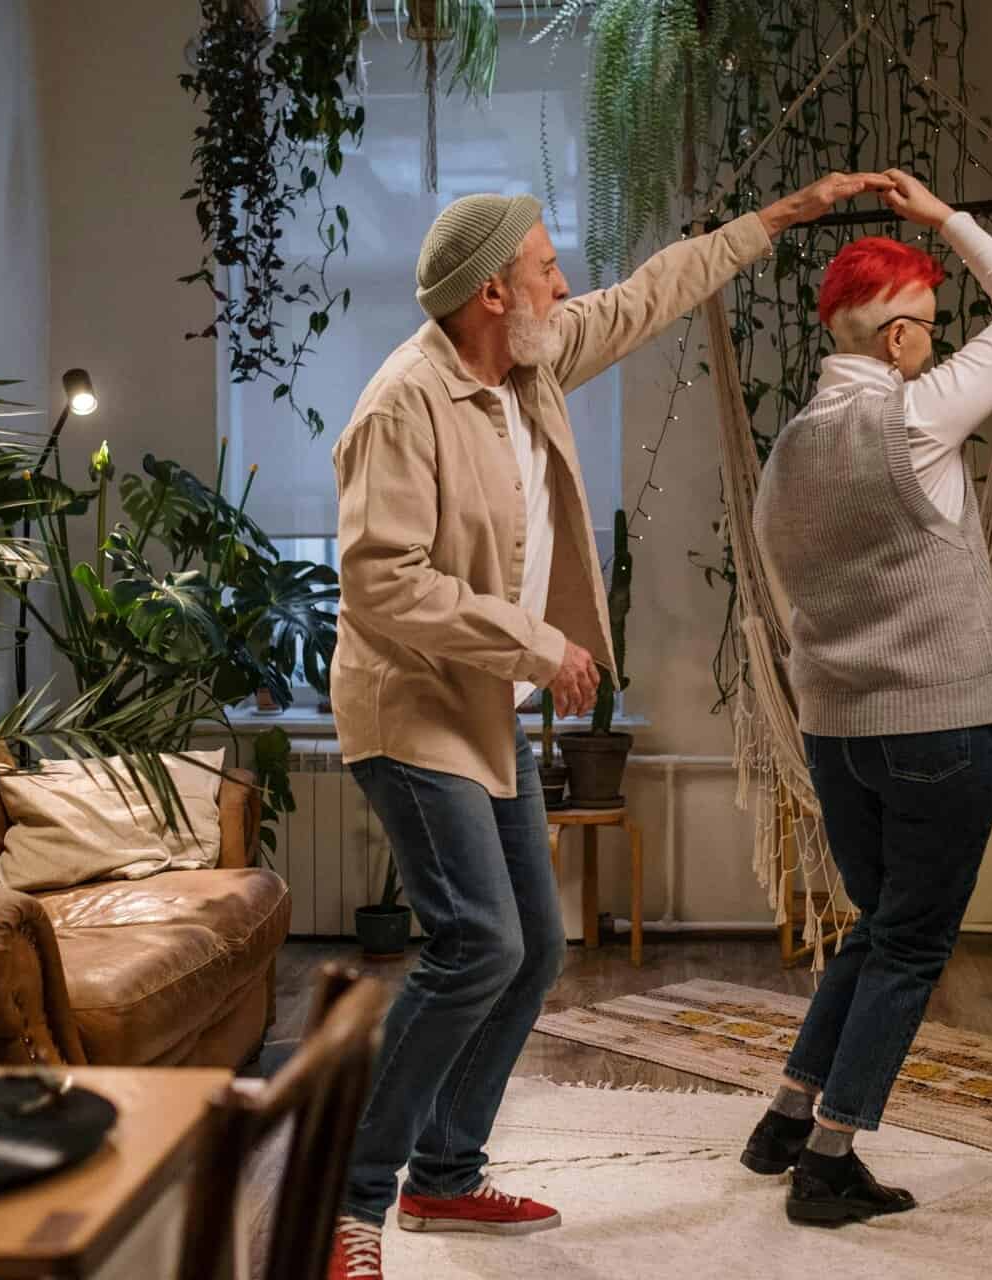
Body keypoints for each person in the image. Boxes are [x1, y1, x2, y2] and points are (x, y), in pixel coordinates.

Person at [325, 172, 898, 1280]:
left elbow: (648, 294)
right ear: (494, 290)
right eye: (546, 266)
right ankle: (347, 1204)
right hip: (413, 710)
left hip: (491, 708)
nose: (564, 282)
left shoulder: (524, 360)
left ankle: (445, 1173)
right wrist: (538, 643)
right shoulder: (403, 403)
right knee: (476, 942)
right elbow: (380, 584)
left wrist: (773, 220)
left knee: (536, 945)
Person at [744, 171, 992, 1226]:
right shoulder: (916, 416)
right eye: (925, 325)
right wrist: (945, 222)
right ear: (892, 340)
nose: (934, 340)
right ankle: (829, 1162)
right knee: (913, 944)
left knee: (878, 926)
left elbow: (793, 585)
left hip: (835, 726)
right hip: (936, 721)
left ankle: (788, 1111)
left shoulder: (788, 448)